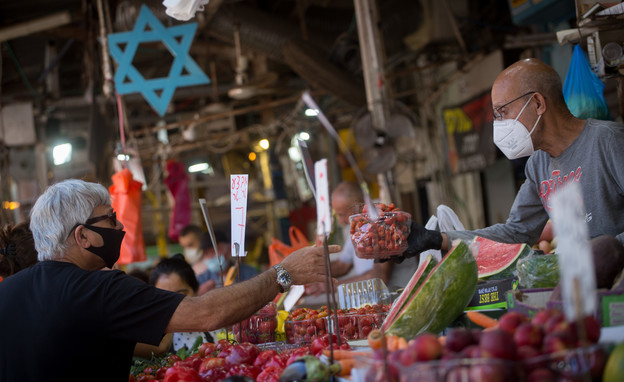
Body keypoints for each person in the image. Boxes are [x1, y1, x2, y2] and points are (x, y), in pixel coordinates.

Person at [0, 179, 339, 382]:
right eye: (110, 219)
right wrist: (284, 273)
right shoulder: (100, 288)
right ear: (83, 236)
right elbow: (205, 314)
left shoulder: (8, 292)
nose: (120, 228)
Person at [393, 58, 624, 263]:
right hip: (582, 288)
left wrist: (604, 252)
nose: (499, 124)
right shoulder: (538, 165)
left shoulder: (608, 141)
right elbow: (515, 233)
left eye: (503, 111)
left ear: (538, 103)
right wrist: (435, 239)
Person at [305, 181, 388, 296]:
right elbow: (342, 265)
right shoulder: (358, 228)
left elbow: (379, 276)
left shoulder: (382, 224)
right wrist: (310, 270)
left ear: (359, 204)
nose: (340, 221)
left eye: (342, 214)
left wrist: (332, 285)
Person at [134, 254, 213, 359]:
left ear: (195, 290)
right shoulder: (146, 338)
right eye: (164, 298)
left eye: (181, 295)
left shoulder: (216, 328)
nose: (173, 304)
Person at [194, 230, 259, 294]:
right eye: (206, 253)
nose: (211, 256)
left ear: (229, 248)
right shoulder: (201, 280)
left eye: (215, 250)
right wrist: (199, 294)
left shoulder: (249, 273)